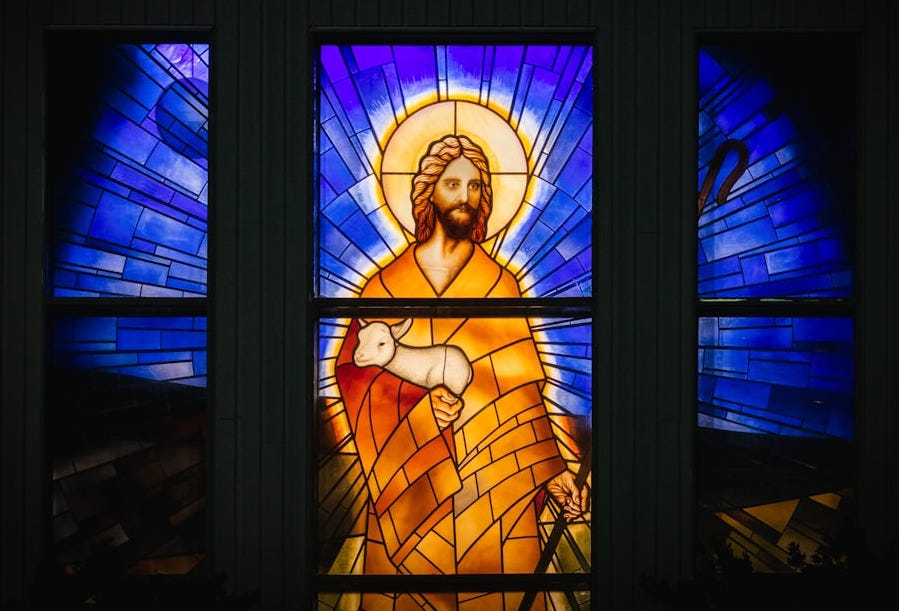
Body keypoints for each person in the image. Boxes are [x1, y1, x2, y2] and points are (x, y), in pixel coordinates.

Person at [334, 134, 588, 610]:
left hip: (496, 488)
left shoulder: (501, 284)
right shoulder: (384, 286)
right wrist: (419, 409)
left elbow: (524, 393)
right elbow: (355, 376)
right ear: (428, 190)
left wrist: (555, 473)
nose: (466, 197)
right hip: (410, 492)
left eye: (476, 187)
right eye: (453, 184)